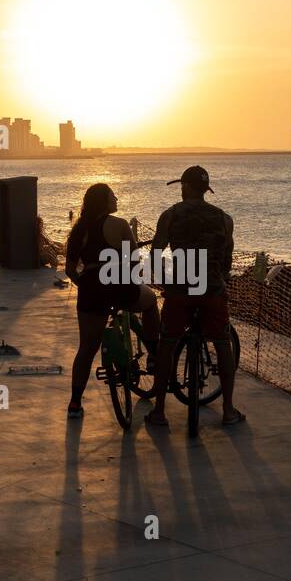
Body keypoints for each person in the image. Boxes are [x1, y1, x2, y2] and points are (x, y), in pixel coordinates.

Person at [146, 165, 245, 429]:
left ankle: (158, 412)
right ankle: (228, 410)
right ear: (205, 190)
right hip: (212, 290)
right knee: (223, 343)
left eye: (181, 186)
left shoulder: (170, 215)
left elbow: (156, 252)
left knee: (167, 342)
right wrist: (220, 279)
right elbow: (227, 259)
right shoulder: (224, 219)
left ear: (186, 187)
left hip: (181, 288)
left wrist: (164, 282)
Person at [64, 182, 160, 419]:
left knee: (86, 348)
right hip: (118, 284)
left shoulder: (78, 230)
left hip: (90, 289)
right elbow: (134, 261)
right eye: (112, 196)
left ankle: (75, 403)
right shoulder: (118, 224)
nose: (116, 199)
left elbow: (69, 270)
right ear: (103, 201)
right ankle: (155, 355)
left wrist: (86, 285)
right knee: (150, 302)